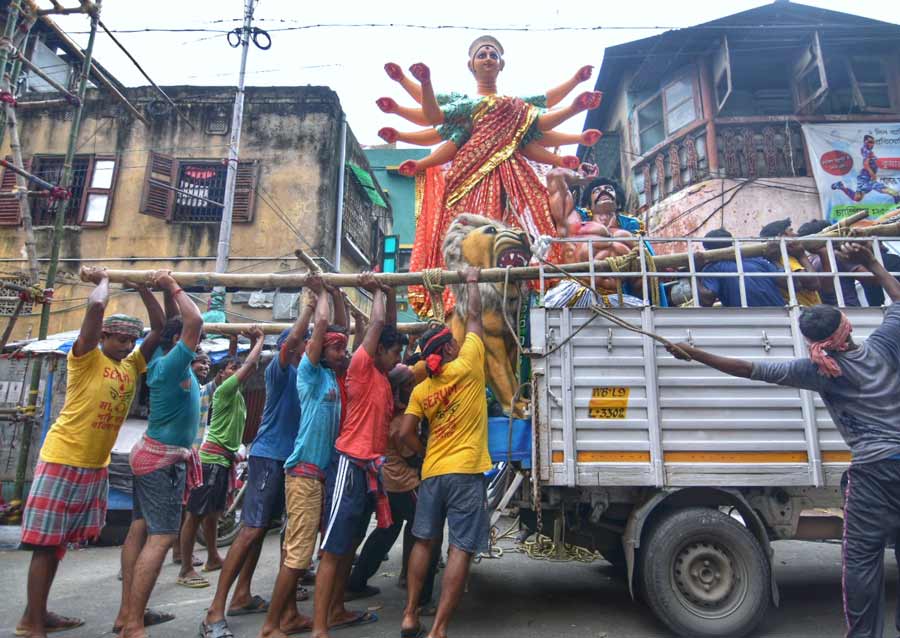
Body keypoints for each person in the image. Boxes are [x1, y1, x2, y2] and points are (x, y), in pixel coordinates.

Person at [665, 241, 900, 638]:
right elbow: (898, 299)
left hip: (873, 473)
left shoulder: (820, 371)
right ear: (847, 326)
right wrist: (871, 263)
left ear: (814, 343)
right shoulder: (885, 346)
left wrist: (694, 353)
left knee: (862, 560)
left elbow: (748, 368)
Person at [16, 269, 164, 638]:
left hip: (94, 465)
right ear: (102, 337)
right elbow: (97, 306)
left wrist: (144, 288)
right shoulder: (85, 358)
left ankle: (36, 613)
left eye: (131, 340)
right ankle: (32, 625)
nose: (127, 346)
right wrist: (105, 278)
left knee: (59, 545)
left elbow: (160, 329)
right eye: (120, 339)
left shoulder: (130, 366)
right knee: (45, 546)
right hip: (63, 459)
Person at [202, 294, 315, 638]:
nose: (309, 345)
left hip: (287, 460)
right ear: (292, 348)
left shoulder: (307, 375)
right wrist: (310, 308)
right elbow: (292, 341)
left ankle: (243, 595)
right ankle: (214, 612)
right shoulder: (280, 371)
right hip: (268, 456)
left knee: (267, 530)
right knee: (251, 529)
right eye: (305, 341)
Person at [399, 266, 492, 638]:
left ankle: (410, 615)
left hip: (434, 472)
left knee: (424, 541)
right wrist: (471, 280)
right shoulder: (469, 365)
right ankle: (438, 629)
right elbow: (475, 318)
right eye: (452, 340)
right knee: (460, 548)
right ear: (450, 348)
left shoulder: (422, 390)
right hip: (466, 471)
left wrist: (424, 453)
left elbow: (403, 433)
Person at [311, 272, 406, 638]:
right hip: (349, 464)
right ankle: (320, 627)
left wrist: (390, 293)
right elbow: (379, 325)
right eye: (394, 352)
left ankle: (336, 610)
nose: (399, 358)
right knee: (333, 549)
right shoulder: (362, 368)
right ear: (379, 351)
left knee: (349, 544)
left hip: (369, 470)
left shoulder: (382, 376)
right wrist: (377, 290)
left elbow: (388, 326)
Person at [256, 278, 349, 638]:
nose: (342, 353)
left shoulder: (331, 376)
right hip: (303, 475)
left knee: (300, 553)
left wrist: (337, 295)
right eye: (336, 349)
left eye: (343, 349)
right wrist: (321, 293)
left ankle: (287, 617)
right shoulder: (309, 374)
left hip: (317, 477)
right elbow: (323, 325)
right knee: (297, 557)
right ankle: (270, 626)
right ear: (319, 349)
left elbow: (339, 328)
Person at [114, 272, 203, 638]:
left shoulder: (166, 359)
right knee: (162, 537)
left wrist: (152, 292)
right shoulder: (172, 363)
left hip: (151, 455)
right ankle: (134, 624)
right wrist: (172, 286)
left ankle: (127, 613)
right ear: (179, 341)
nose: (198, 343)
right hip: (162, 462)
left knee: (140, 528)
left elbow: (172, 323)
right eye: (192, 340)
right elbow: (193, 320)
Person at [346, 365, 440, 609]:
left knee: (387, 532)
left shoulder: (389, 412)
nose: (413, 388)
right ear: (397, 390)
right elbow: (410, 454)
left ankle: (357, 582)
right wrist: (425, 451)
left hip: (389, 481)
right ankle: (421, 596)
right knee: (428, 533)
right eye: (408, 385)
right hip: (405, 482)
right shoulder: (399, 421)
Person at [178, 327, 265, 588]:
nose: (237, 371)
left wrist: (240, 342)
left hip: (223, 461)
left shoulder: (236, 393)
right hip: (211, 460)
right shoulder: (225, 390)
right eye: (231, 369)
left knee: (214, 514)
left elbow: (244, 366)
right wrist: (259, 340)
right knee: (195, 515)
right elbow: (247, 366)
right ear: (222, 375)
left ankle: (213, 557)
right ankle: (185, 568)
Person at [172, 350, 215, 568]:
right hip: (176, 453)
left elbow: (226, 377)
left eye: (208, 364)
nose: (205, 367)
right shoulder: (182, 386)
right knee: (175, 508)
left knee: (182, 507)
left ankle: (178, 552)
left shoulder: (202, 391)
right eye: (201, 362)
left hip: (190, 455)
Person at [697, 228, 786, 307]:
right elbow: (786, 281)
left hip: (749, 317)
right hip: (778, 314)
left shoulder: (713, 269)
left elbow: (706, 300)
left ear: (708, 250)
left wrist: (694, 273)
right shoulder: (756, 259)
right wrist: (775, 260)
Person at [796, 218, 862, 307]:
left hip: (826, 309)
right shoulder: (837, 255)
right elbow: (871, 279)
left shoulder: (808, 261)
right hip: (848, 307)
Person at [759, 218, 822, 306]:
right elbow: (813, 283)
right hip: (807, 308)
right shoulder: (785, 258)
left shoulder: (777, 258)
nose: (795, 234)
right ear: (782, 236)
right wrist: (802, 255)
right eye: (791, 230)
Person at [831, 134, 900, 204]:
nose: (872, 144)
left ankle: (840, 186)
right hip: (866, 176)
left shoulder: (868, 151)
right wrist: (872, 174)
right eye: (870, 142)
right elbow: (866, 164)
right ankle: (895, 194)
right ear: (865, 142)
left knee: (857, 197)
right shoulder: (866, 151)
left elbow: (870, 162)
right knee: (876, 186)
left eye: (873, 142)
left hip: (865, 176)